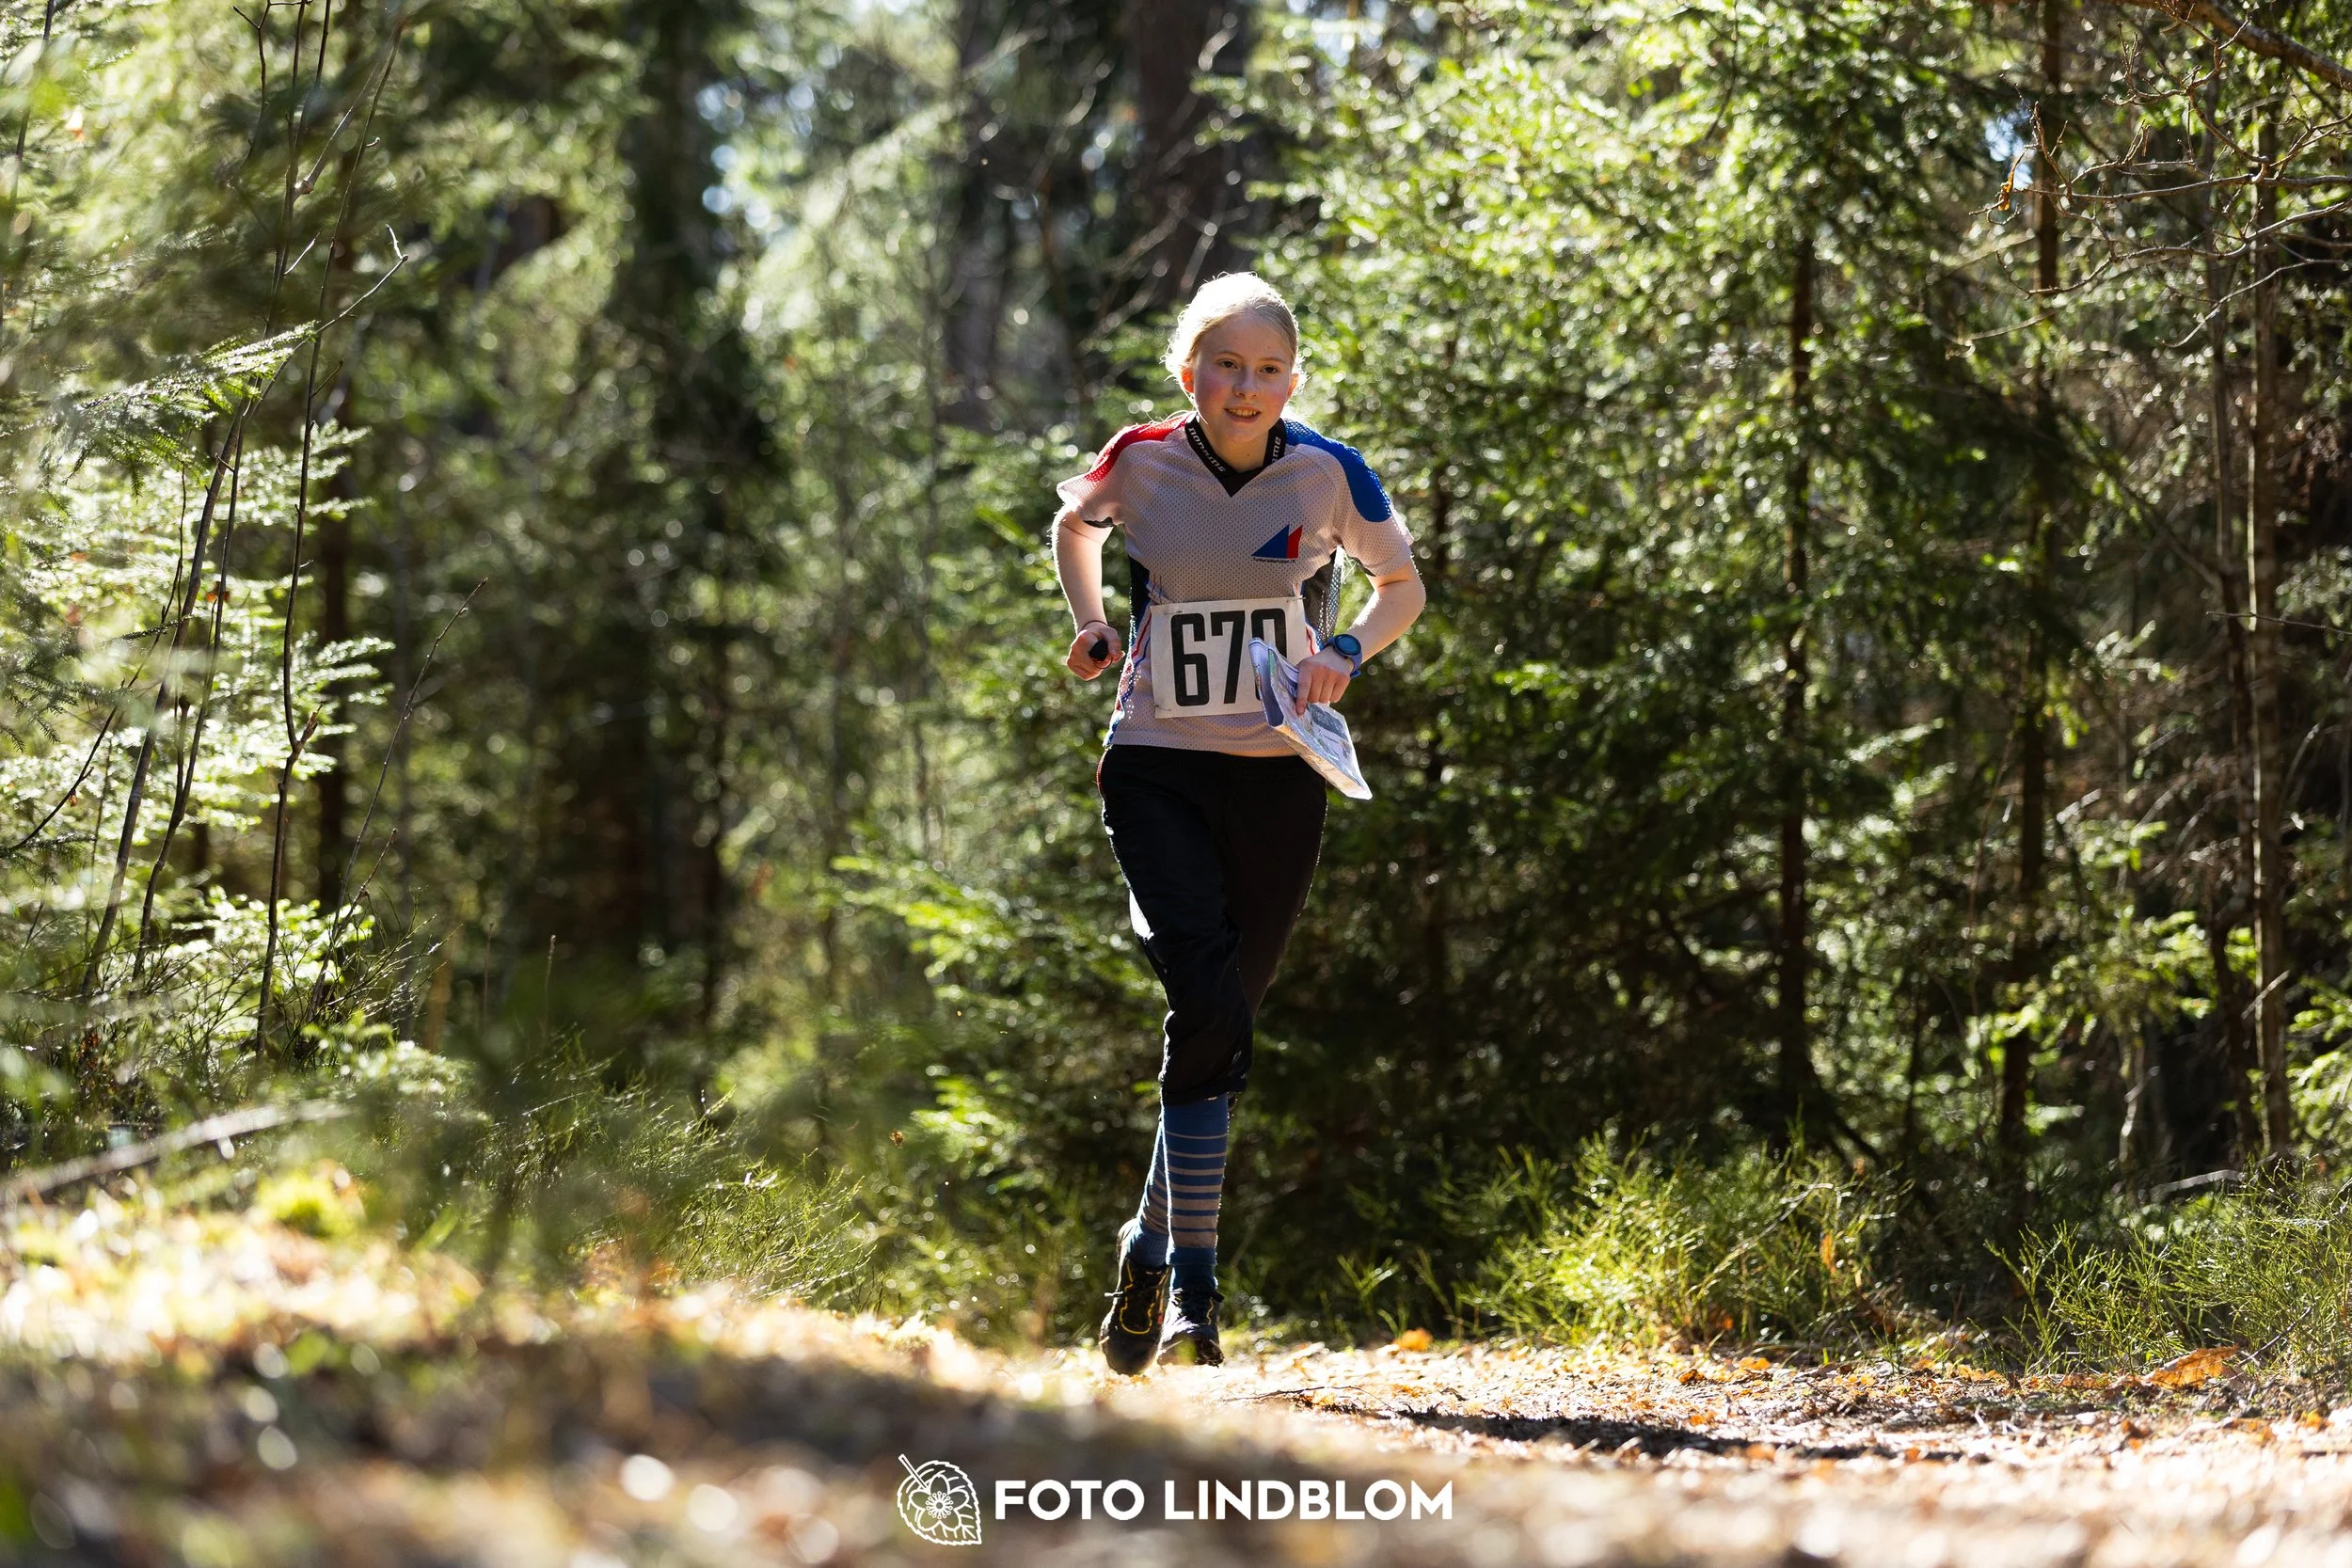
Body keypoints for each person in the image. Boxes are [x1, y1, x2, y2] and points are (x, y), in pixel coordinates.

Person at [1051, 272, 1426, 1371]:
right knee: (1206, 994)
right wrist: (1090, 620)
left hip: (1277, 776)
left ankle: (1145, 1245)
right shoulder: (1144, 458)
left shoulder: (1327, 473)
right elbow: (1075, 522)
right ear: (1189, 375)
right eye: (1225, 364)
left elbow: (1399, 584)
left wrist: (1343, 650)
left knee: (1222, 1021)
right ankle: (1194, 1298)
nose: (1245, 386)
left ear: (1293, 382)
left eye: (1268, 370)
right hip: (1156, 765)